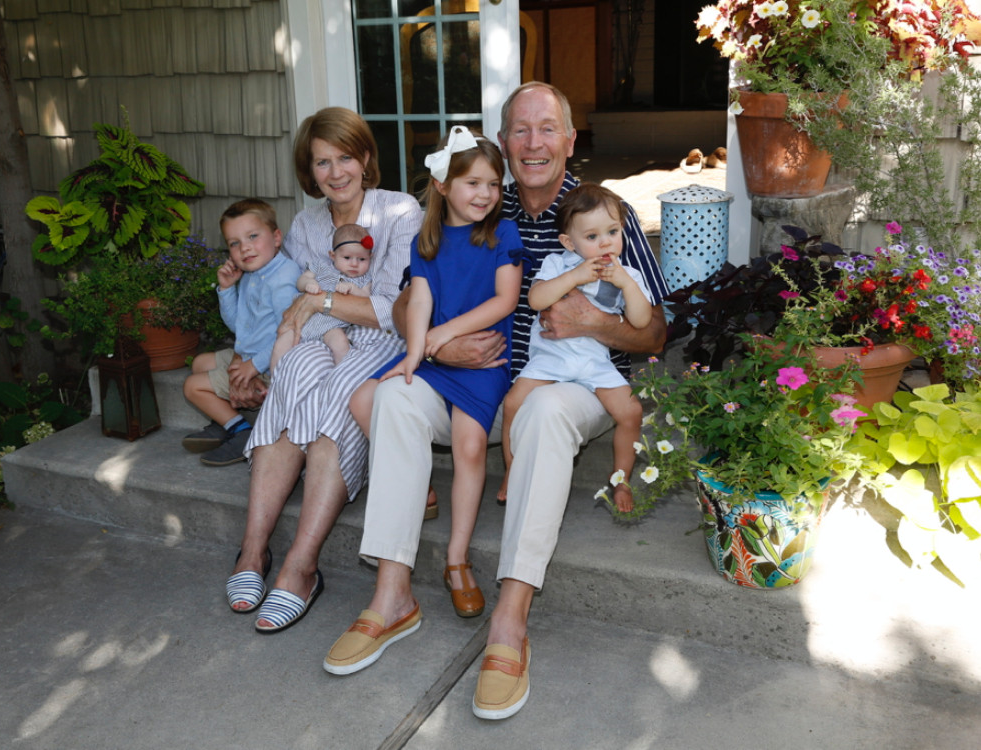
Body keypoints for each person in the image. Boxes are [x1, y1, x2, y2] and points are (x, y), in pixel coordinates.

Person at [320, 83, 669, 720]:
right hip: (471, 382)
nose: (533, 143)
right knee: (394, 399)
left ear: (569, 139)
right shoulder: (479, 198)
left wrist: (593, 322)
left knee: (541, 412)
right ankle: (392, 595)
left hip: (570, 382)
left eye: (547, 130)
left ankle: (511, 617)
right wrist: (438, 347)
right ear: (505, 143)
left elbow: (658, 331)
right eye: (520, 130)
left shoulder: (603, 212)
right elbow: (406, 298)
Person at [222, 107, 422, 634]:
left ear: (366, 158)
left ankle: (301, 566)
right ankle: (253, 550)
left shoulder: (400, 211)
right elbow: (290, 303)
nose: (335, 173)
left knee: (338, 388)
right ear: (309, 172)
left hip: (386, 340)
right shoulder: (307, 225)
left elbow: (390, 309)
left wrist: (321, 303)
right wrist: (257, 354)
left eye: (344, 158)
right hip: (324, 333)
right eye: (321, 163)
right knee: (292, 376)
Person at [327, 129, 520, 674]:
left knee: (470, 440)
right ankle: (395, 588)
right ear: (442, 184)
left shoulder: (502, 234)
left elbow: (505, 299)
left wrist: (441, 337)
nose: (484, 193)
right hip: (437, 358)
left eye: (492, 183)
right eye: (472, 182)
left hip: (483, 364)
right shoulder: (426, 243)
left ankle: (456, 559)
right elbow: (420, 302)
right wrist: (417, 351)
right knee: (379, 395)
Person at [498, 183, 652, 512]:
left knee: (632, 412)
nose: (605, 242)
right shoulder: (559, 263)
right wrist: (575, 276)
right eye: (592, 236)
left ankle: (620, 479)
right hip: (551, 359)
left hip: (593, 364)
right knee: (512, 404)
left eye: (612, 231)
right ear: (570, 242)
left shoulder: (627, 274)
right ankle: (512, 469)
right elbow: (535, 299)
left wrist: (625, 283)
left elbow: (641, 321)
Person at [180, 199, 301, 467]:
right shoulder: (252, 275)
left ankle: (241, 432)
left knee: (192, 387)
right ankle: (225, 419)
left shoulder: (283, 279)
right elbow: (239, 326)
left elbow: (291, 334)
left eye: (253, 236)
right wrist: (226, 289)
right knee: (200, 363)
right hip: (249, 354)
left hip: (270, 366)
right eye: (234, 243)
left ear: (277, 237)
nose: (244, 247)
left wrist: (253, 366)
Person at [271, 223, 374, 370]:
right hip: (304, 320)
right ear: (333, 255)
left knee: (341, 345)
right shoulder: (320, 266)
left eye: (362, 259)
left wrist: (353, 289)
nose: (354, 264)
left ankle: (340, 378)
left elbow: (366, 299)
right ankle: (275, 380)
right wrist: (308, 283)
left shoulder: (363, 279)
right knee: (280, 345)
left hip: (332, 326)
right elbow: (300, 281)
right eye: (347, 257)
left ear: (370, 257)